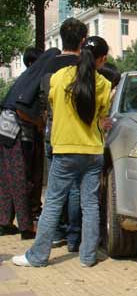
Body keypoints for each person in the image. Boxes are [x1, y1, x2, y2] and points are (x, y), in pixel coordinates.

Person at [12, 36, 112, 268]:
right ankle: (87, 257)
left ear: (79, 52)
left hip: (65, 150)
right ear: (103, 59)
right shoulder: (104, 85)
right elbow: (101, 119)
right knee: (90, 204)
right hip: (93, 151)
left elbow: (52, 104)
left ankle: (37, 256)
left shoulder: (60, 77)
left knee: (54, 203)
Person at [0, 49, 60, 239]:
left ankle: (4, 222)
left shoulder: (29, 75)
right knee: (19, 178)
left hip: (5, 129)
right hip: (14, 131)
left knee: (8, 178)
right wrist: (39, 123)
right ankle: (26, 228)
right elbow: (21, 108)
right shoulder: (37, 79)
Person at [40, 18, 88, 251]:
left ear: (61, 38)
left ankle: (56, 233)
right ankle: (74, 238)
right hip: (80, 137)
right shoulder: (85, 67)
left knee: (54, 189)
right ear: (83, 40)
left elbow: (44, 100)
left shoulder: (49, 67)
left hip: (53, 132)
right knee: (76, 188)